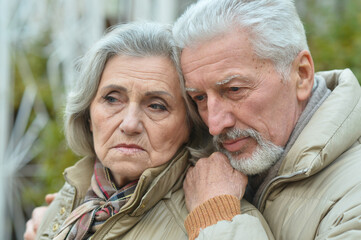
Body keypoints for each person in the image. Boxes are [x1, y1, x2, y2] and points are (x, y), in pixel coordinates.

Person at [29, 22, 271, 240]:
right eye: (113, 99)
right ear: (88, 115)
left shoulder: (224, 221)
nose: (130, 124)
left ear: (189, 126)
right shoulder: (72, 201)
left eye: (156, 106)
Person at [172, 0, 361, 239]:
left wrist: (216, 217)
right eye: (199, 98)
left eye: (234, 89)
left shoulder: (353, 198)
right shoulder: (198, 166)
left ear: (301, 75)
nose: (215, 125)